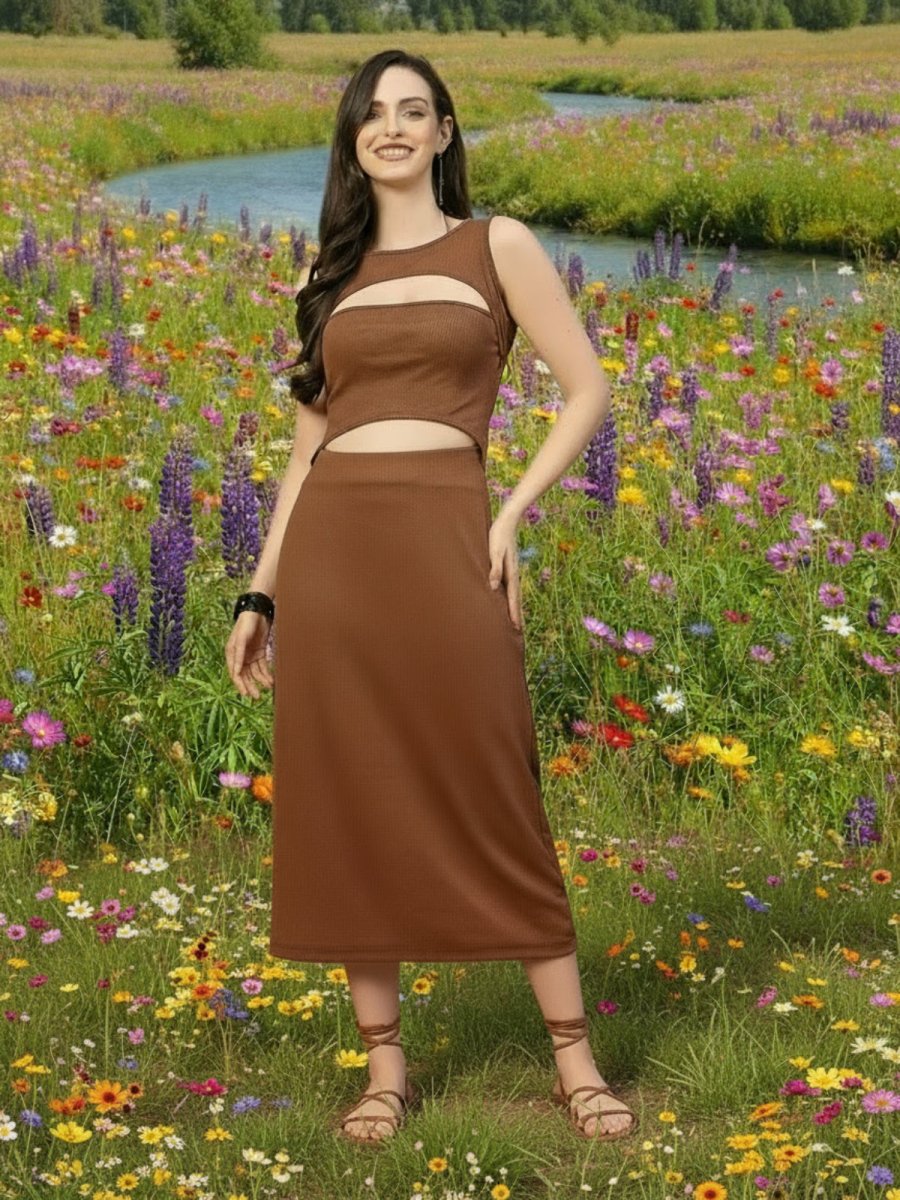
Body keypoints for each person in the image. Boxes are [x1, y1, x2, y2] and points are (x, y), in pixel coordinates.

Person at [225, 48, 636, 1147]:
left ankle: (575, 1064)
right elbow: (305, 451)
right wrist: (259, 595)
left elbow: (588, 387)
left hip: (452, 536)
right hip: (335, 558)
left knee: (496, 782)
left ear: (447, 132)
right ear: (354, 139)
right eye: (375, 113)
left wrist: (510, 514)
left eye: (416, 111)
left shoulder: (495, 244)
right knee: (348, 799)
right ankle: (386, 1073)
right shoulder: (332, 273)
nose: (395, 127)